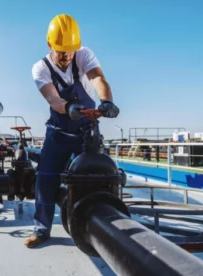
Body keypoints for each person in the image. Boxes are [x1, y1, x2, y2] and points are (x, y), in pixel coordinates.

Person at [25, 14, 120, 248]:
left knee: (95, 177)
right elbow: (52, 98)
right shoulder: (40, 68)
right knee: (46, 179)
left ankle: (99, 225)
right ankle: (42, 229)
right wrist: (68, 107)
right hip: (58, 134)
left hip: (87, 133)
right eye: (61, 50)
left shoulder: (83, 55)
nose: (67, 55)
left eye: (70, 50)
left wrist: (106, 101)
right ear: (50, 45)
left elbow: (97, 77)